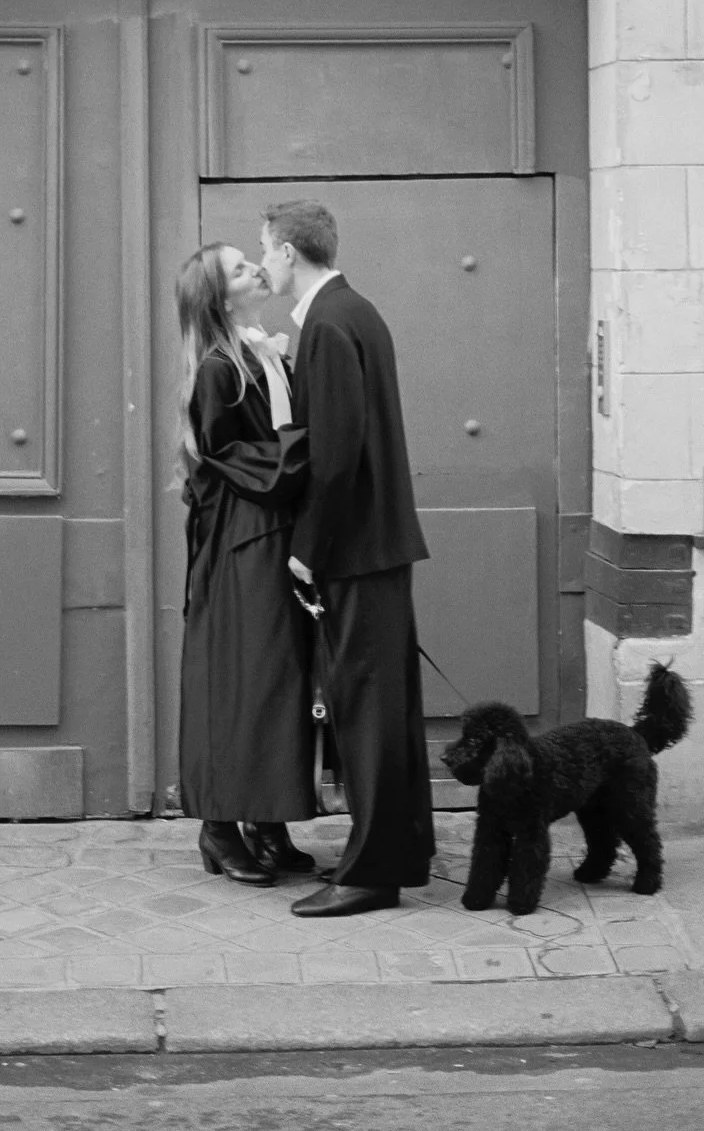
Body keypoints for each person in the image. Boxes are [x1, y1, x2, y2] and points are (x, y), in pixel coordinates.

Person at [259, 199, 436, 917]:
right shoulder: (355, 312)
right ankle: (399, 849)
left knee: (366, 714)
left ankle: (371, 873)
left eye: (265, 250)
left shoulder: (328, 326)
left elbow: (333, 458)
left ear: (291, 252)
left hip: (356, 551)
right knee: (386, 711)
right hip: (380, 546)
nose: (264, 263)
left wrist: (307, 551)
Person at [175, 242, 319, 886]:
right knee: (242, 679)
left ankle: (267, 821)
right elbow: (237, 461)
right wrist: (314, 446)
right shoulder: (217, 369)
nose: (255, 269)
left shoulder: (262, 350)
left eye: (248, 260)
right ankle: (220, 827)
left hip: (272, 531)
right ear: (218, 297)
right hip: (242, 541)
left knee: (277, 680)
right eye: (237, 269)